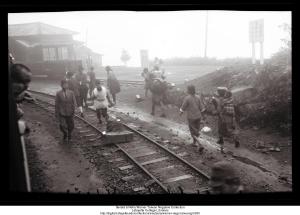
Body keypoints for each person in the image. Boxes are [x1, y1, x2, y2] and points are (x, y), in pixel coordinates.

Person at [211, 87, 240, 153]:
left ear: (220, 92)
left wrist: (214, 112)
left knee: (221, 129)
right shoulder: (230, 99)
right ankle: (236, 140)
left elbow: (219, 109)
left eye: (218, 91)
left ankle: (221, 142)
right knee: (231, 129)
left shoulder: (221, 100)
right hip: (232, 116)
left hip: (223, 116)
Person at [180, 85, 206, 153]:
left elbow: (183, 106)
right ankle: (194, 143)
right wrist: (203, 116)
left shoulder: (187, 98)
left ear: (189, 90)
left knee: (193, 132)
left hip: (191, 117)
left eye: (187, 89)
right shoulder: (198, 97)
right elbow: (202, 107)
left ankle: (200, 144)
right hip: (198, 116)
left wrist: (181, 112)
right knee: (196, 130)